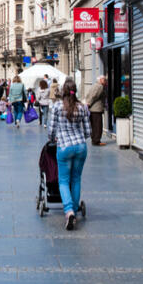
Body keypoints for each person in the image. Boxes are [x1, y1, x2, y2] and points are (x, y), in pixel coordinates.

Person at [47, 78, 91, 230]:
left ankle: (69, 210)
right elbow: (88, 132)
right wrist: (79, 138)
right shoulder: (83, 107)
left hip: (64, 147)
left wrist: (53, 139)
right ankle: (75, 207)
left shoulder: (57, 106)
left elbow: (51, 130)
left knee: (64, 180)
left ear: (63, 91)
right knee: (76, 178)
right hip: (80, 147)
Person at [84, 76, 107, 146]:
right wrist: (89, 103)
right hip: (96, 109)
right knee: (98, 126)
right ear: (100, 80)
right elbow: (94, 96)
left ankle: (94, 139)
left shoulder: (94, 85)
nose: (105, 81)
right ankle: (96, 141)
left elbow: (88, 95)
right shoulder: (100, 86)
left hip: (92, 109)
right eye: (104, 79)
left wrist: (87, 102)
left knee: (93, 125)